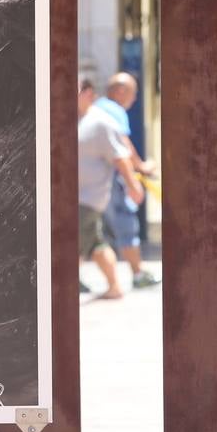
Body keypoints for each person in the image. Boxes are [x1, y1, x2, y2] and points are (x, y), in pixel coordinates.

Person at [78, 77, 145, 299]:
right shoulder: (76, 119)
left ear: (88, 94)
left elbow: (121, 153)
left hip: (90, 196)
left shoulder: (101, 120)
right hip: (79, 195)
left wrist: (134, 182)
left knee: (72, 241)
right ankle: (116, 285)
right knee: (95, 243)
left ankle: (63, 288)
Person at [94, 72, 161, 288]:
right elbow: (122, 144)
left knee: (91, 228)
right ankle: (138, 275)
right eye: (133, 93)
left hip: (93, 180)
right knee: (126, 223)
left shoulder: (96, 107)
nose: (134, 99)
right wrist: (140, 167)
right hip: (113, 177)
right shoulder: (114, 111)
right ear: (121, 91)